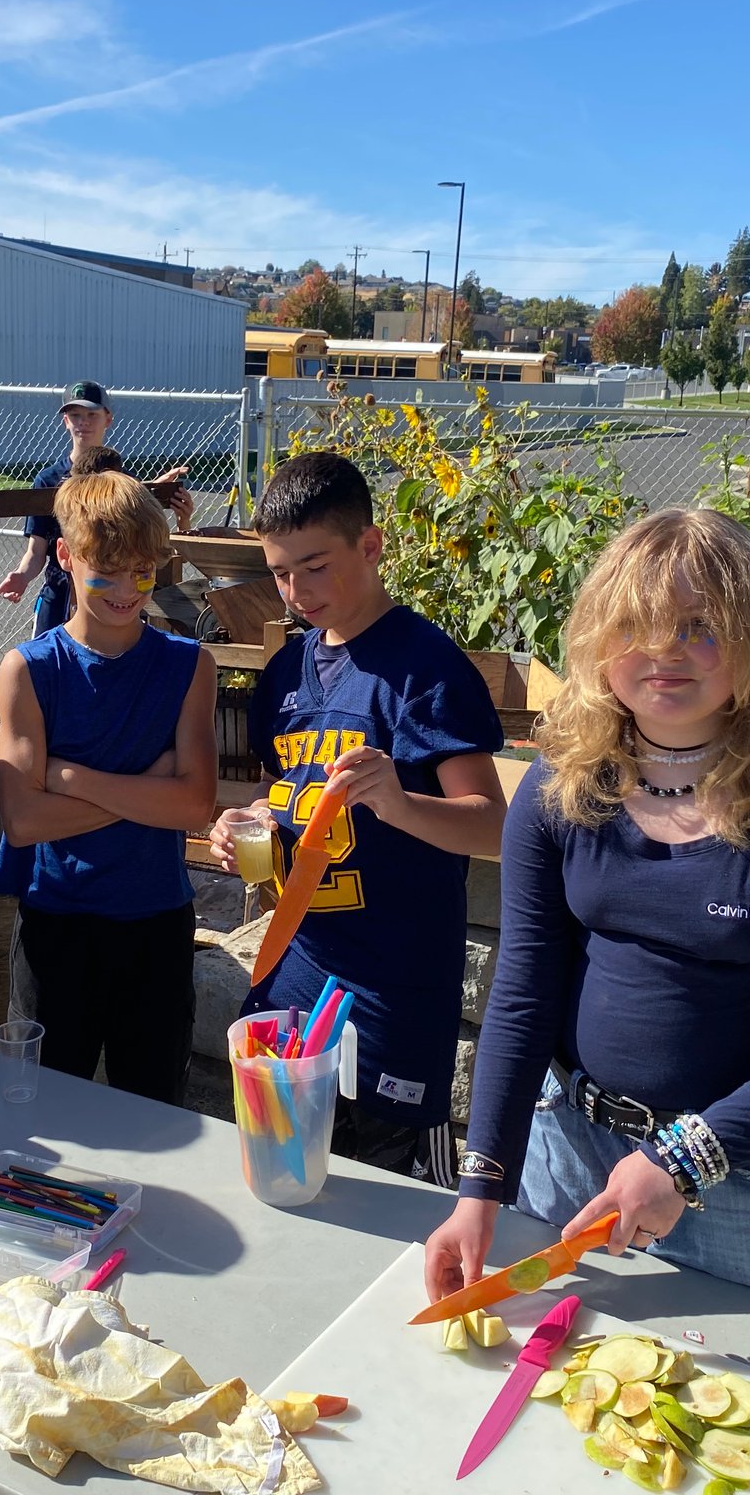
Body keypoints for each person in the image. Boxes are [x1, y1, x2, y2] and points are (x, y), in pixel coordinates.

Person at [422, 509, 750, 1311]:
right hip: (569, 1146)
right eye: (635, 625)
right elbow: (525, 995)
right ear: (598, 644)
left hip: (746, 1178)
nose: (665, 652)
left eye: (701, 628)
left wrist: (680, 1162)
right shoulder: (559, 784)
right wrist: (480, 1188)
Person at [208, 451, 505, 1183]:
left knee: (386, 1209)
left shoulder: (426, 668)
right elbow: (295, 803)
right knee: (282, 1186)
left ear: (370, 547)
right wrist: (247, 826)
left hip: (391, 997)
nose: (296, 590)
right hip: (294, 982)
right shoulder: (284, 671)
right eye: (279, 572)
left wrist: (399, 801)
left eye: (314, 566)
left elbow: (494, 826)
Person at [0, 463, 217, 1102]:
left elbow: (195, 804)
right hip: (54, 925)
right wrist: (149, 791)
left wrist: (71, 779)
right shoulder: (28, 667)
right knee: (41, 1117)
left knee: (153, 1111)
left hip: (155, 922)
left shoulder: (189, 663)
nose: (126, 588)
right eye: (107, 571)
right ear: (63, 555)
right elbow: (24, 821)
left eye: (143, 572)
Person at [0, 380, 196, 636]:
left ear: (107, 419)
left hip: (112, 596)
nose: (83, 422)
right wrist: (21, 575)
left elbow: (153, 549)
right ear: (65, 421)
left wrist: (181, 521)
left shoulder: (126, 483)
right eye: (75, 415)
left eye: (91, 414)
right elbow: (36, 551)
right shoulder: (48, 480)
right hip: (60, 595)